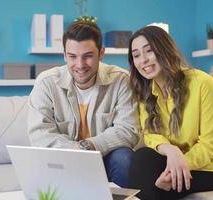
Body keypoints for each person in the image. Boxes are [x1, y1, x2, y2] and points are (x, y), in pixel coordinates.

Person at [127, 25, 213, 199]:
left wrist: (178, 164)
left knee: (163, 187)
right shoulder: (145, 91)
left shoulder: (202, 82)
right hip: (180, 157)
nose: (143, 60)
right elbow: (150, 134)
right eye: (136, 55)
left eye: (149, 51)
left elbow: (209, 145)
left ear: (164, 49)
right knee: (142, 158)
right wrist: (171, 151)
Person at [27, 21, 139, 188]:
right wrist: (75, 150)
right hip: (63, 158)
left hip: (105, 156)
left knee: (125, 159)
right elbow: (40, 135)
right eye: (72, 56)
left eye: (88, 56)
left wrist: (89, 146)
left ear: (101, 53)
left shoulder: (121, 80)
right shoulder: (46, 83)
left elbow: (128, 130)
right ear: (64, 55)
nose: (80, 65)